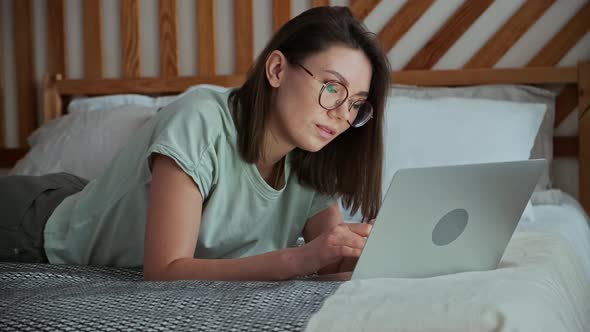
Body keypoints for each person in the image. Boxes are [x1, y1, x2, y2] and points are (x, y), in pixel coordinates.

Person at [0, 6, 391, 281]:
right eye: (332, 88)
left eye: (356, 104)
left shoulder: (312, 158)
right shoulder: (201, 117)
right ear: (276, 70)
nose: (342, 114)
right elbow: (166, 269)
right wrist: (299, 258)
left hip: (92, 202)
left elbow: (328, 265)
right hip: (33, 224)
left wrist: (384, 249)